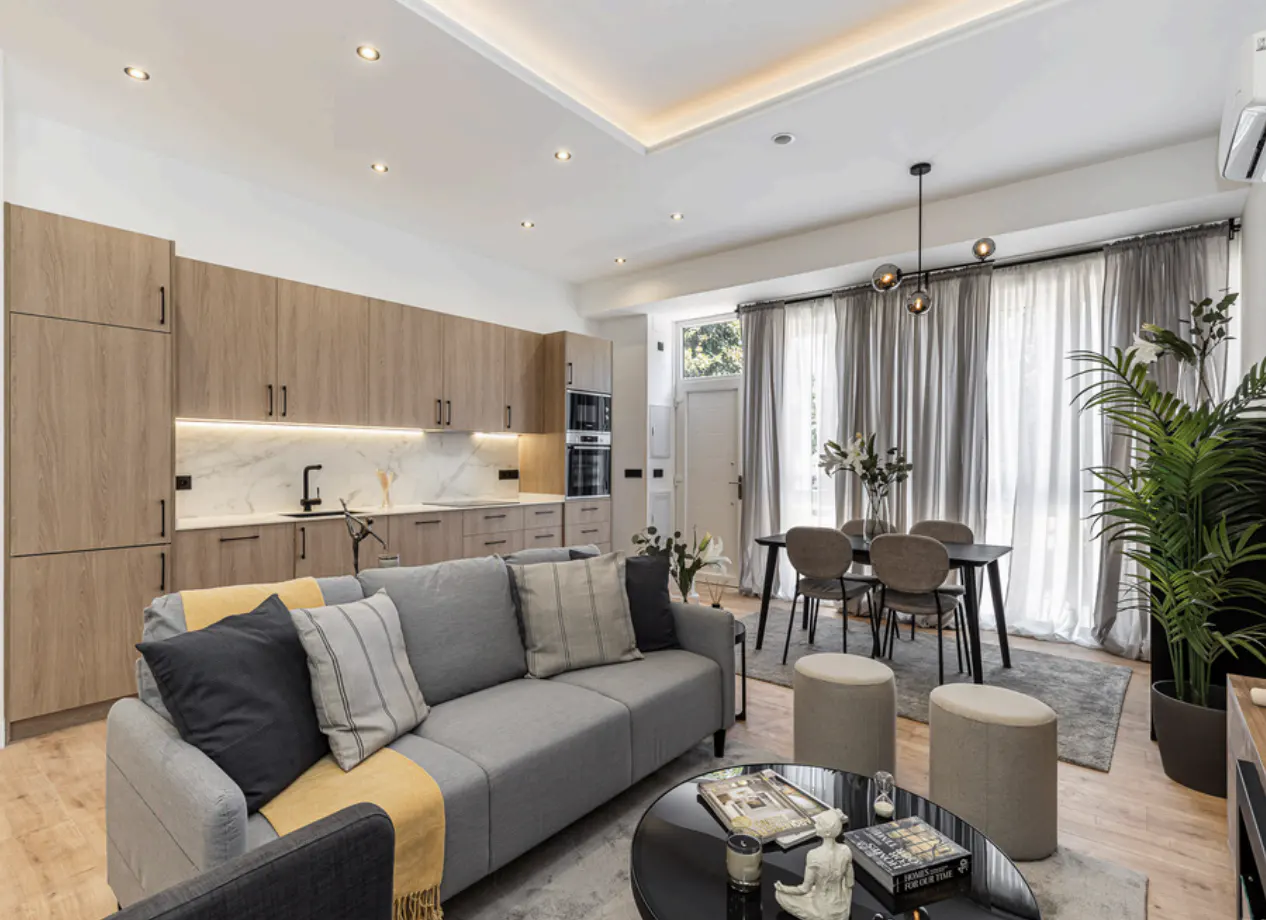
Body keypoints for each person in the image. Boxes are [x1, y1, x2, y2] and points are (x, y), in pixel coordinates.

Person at [774, 808, 853, 920]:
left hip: (822, 911)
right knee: (822, 887)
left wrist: (784, 888)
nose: (815, 825)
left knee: (779, 895)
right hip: (842, 909)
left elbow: (804, 889)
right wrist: (845, 908)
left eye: (819, 824)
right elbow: (850, 884)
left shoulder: (814, 855)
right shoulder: (846, 850)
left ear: (827, 832)